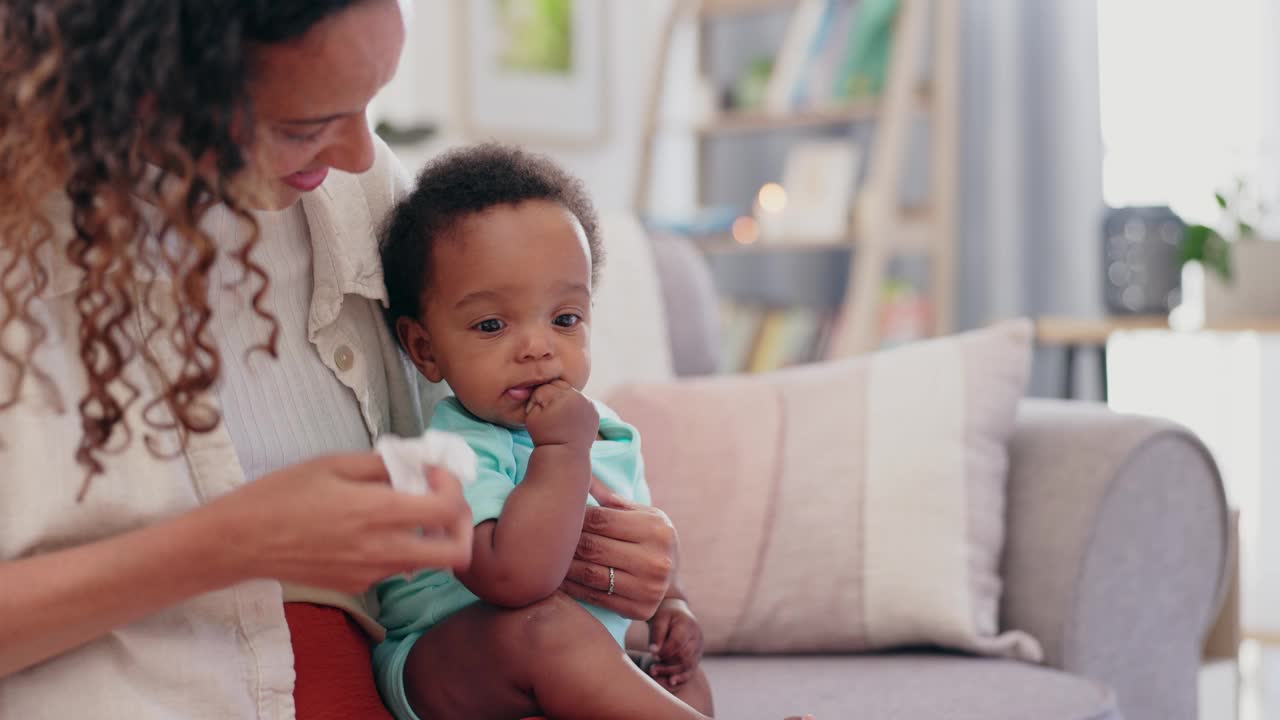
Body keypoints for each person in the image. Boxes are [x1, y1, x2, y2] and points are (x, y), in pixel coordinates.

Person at [0, 2, 681, 718]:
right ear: (144, 85)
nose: (360, 155)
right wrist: (231, 542)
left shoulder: (351, 196)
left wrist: (635, 553)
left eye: (369, 105)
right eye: (303, 126)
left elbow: (478, 450)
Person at [376, 144, 714, 720]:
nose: (538, 347)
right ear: (425, 349)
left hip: (564, 663)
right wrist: (559, 450)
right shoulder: (446, 451)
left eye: (565, 319)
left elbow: (640, 546)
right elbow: (513, 579)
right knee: (547, 626)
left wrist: (671, 610)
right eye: (491, 324)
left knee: (678, 682)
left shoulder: (609, 434)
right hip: (451, 666)